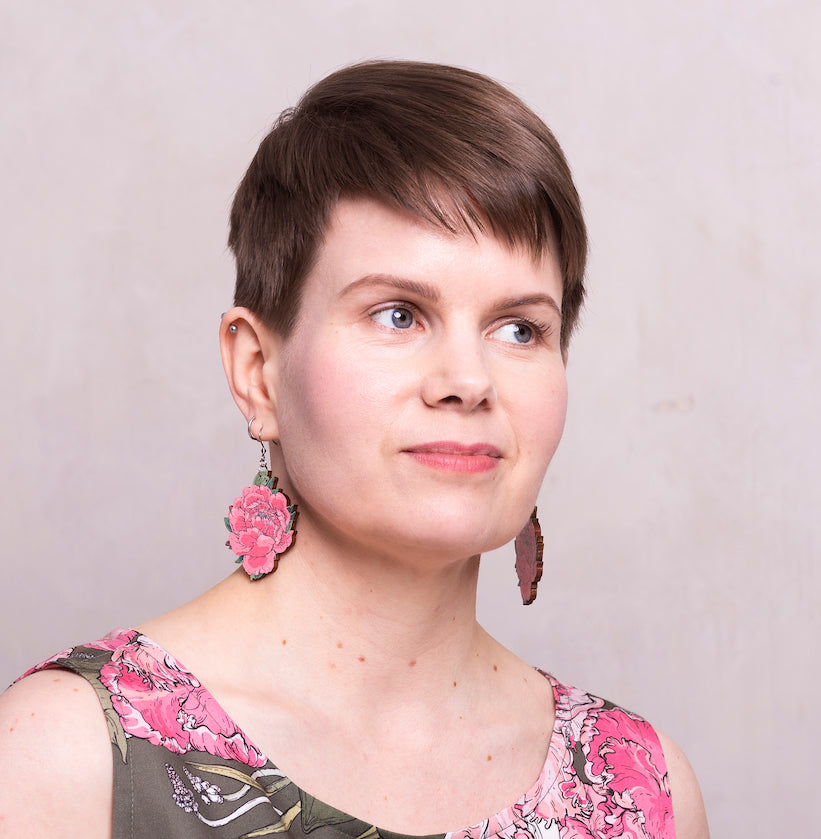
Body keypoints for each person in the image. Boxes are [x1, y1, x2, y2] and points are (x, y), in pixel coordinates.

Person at [0, 61, 709, 838]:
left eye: (519, 328)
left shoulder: (642, 789)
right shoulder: (68, 761)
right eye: (398, 314)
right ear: (257, 371)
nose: (468, 381)